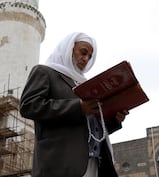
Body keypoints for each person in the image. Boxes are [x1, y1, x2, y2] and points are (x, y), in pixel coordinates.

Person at [20, 32, 128, 177]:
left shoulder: (86, 84)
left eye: (90, 56)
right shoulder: (45, 72)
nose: (86, 59)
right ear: (69, 48)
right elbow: (29, 105)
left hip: (93, 165)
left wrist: (114, 119)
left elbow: (91, 127)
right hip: (60, 164)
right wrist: (78, 107)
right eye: (83, 52)